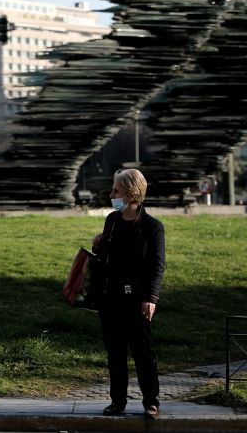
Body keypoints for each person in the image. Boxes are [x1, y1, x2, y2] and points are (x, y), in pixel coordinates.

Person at [91, 168, 165, 420]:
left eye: (116, 191)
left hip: (138, 299)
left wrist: (151, 297)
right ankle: (117, 401)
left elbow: (157, 265)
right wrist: (99, 244)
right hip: (111, 297)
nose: (112, 194)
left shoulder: (152, 227)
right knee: (115, 352)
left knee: (143, 351)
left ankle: (151, 402)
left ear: (132, 194)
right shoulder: (112, 220)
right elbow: (106, 259)